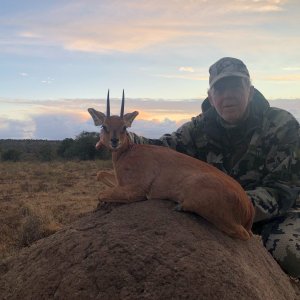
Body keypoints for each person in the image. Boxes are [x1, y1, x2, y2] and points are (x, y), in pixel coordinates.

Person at [129, 57, 300, 278]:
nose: (227, 95)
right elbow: (162, 147)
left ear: (250, 89)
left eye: (235, 86)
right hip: (216, 212)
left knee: (290, 253)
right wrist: (125, 138)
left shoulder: (282, 125)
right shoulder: (198, 127)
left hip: (274, 215)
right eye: (220, 89)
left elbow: (284, 189)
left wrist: (233, 206)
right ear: (210, 96)